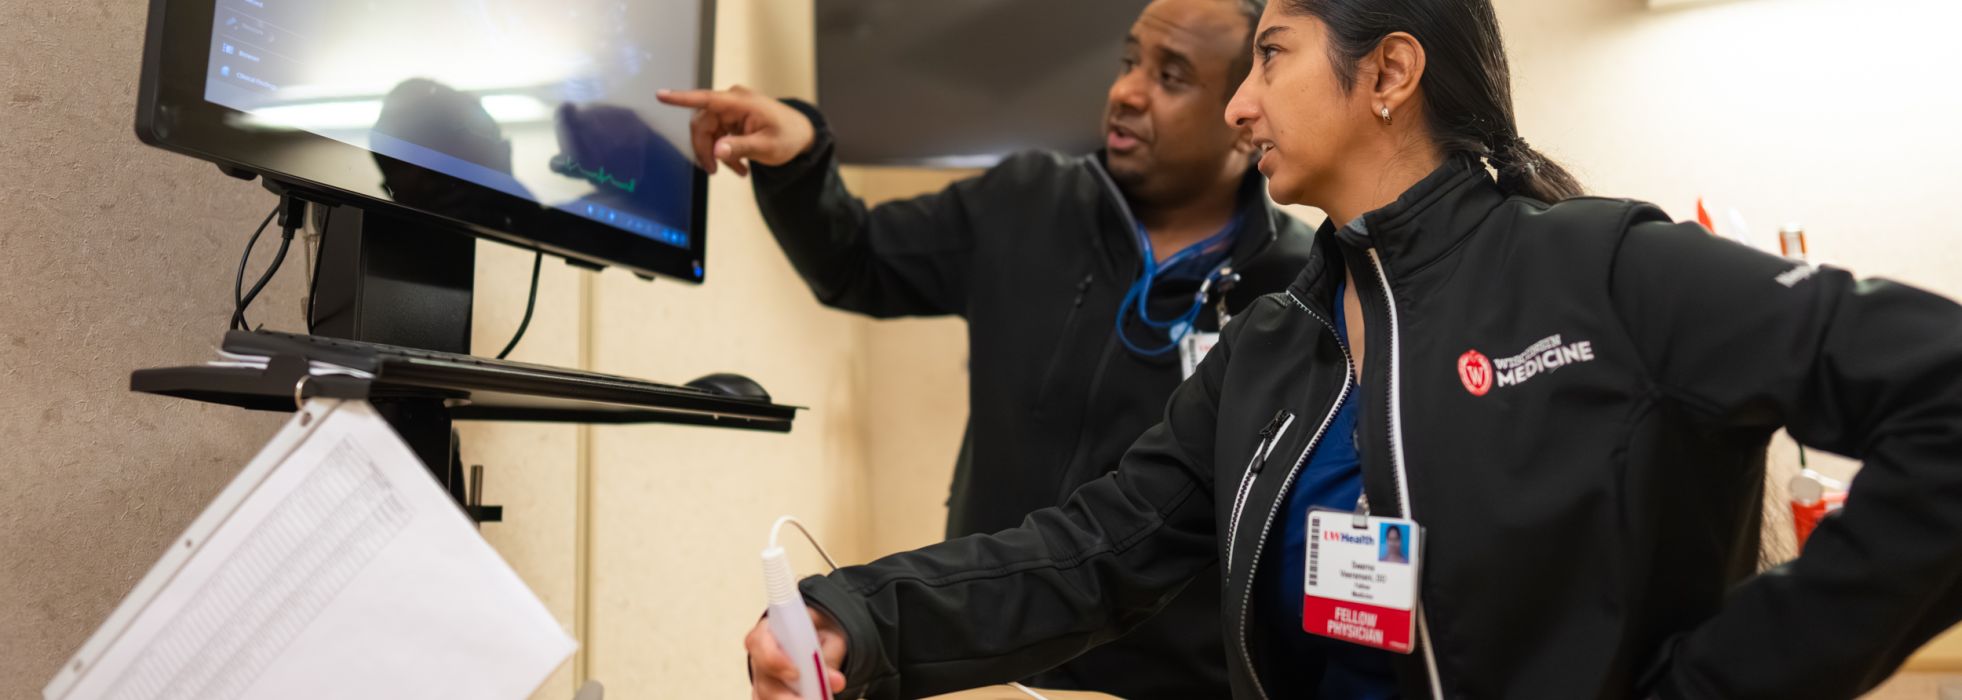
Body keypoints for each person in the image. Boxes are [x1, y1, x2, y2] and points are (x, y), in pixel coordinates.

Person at [739, 0, 1962, 698]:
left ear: (1388, 72)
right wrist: (859, 618)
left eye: (1269, 55)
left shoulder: (1604, 271)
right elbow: (1097, 551)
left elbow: (1944, 396)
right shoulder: (1280, 341)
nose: (1239, 106)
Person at [660, 0, 1312, 697]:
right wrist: (800, 159)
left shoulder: (1294, 290)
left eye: (1171, 77)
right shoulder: (1028, 200)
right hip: (984, 663)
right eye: (1129, 62)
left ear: (1245, 116)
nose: (1126, 90)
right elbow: (855, 260)